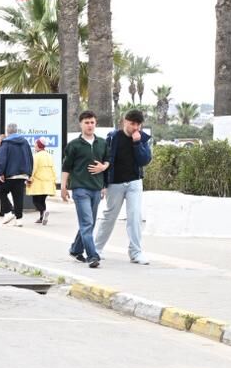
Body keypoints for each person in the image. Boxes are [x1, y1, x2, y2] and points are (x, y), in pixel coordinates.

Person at [94, 108, 154, 265]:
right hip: (115, 183)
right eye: (132, 123)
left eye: (138, 124)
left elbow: (144, 160)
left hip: (134, 182)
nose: (135, 127)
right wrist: (103, 184)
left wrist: (137, 143)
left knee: (135, 216)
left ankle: (136, 252)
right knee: (109, 216)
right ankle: (96, 249)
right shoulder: (113, 138)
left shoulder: (142, 139)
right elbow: (104, 160)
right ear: (125, 121)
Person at [60, 110, 109, 268]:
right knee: (87, 222)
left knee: (90, 223)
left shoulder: (102, 143)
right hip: (80, 189)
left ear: (96, 124)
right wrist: (63, 187)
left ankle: (75, 249)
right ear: (81, 124)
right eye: (86, 122)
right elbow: (66, 167)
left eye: (92, 122)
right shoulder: (74, 145)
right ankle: (92, 255)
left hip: (96, 188)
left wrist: (104, 168)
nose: (89, 125)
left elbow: (107, 161)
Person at [0, 123, 34, 226]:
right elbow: (30, 157)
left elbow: (2, 159)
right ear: (17, 130)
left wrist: (0, 173)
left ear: (7, 131)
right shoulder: (25, 142)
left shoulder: (6, 143)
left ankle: (8, 211)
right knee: (18, 197)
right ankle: (19, 219)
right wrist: (29, 173)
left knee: (1, 191)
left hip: (10, 174)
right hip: (22, 174)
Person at [27, 138, 57, 224]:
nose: (35, 146)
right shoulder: (49, 156)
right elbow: (53, 169)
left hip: (38, 182)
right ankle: (42, 217)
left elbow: (33, 169)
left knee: (36, 201)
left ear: (39, 146)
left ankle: (43, 212)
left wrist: (29, 179)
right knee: (42, 200)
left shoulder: (36, 156)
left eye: (36, 145)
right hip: (48, 182)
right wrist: (54, 180)